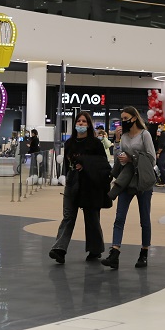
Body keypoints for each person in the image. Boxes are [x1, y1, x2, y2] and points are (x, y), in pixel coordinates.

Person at [49, 111, 109, 264]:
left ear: (88, 125)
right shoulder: (69, 143)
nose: (81, 124)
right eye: (79, 121)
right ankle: (59, 249)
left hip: (90, 183)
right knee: (68, 216)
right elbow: (67, 164)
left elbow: (103, 163)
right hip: (72, 181)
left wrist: (85, 163)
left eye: (84, 121)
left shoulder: (95, 143)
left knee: (91, 217)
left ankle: (95, 249)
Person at [101, 106, 156, 270]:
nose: (123, 121)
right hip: (126, 180)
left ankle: (144, 252)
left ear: (134, 118)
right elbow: (119, 157)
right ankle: (114, 252)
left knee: (144, 219)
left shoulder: (145, 135)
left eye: (126, 118)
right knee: (119, 217)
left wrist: (132, 158)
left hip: (142, 181)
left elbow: (152, 159)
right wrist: (117, 141)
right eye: (122, 118)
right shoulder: (124, 136)